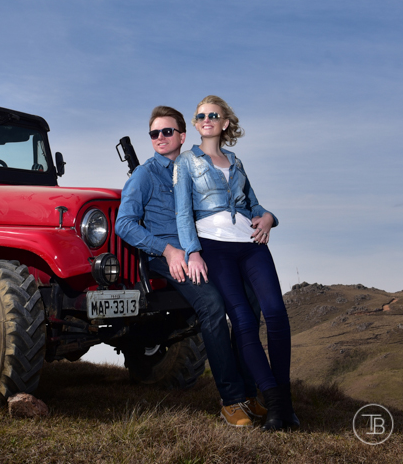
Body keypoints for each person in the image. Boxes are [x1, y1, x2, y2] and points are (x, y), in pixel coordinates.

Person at [116, 105, 264, 428]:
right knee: (212, 304)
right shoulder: (144, 175)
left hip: (202, 250)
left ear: (182, 136)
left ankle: (250, 391)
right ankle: (231, 400)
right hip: (166, 257)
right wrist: (167, 250)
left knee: (251, 300)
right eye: (154, 133)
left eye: (167, 131)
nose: (160, 137)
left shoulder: (195, 168)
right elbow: (124, 223)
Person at [173, 95, 299, 432]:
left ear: (225, 122)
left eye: (213, 115)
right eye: (201, 115)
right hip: (214, 247)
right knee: (242, 320)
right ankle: (274, 404)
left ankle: (285, 403)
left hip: (251, 244)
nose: (206, 119)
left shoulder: (236, 161)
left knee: (276, 313)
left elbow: (253, 204)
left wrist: (270, 217)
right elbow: (183, 213)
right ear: (196, 124)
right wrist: (192, 251)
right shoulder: (186, 162)